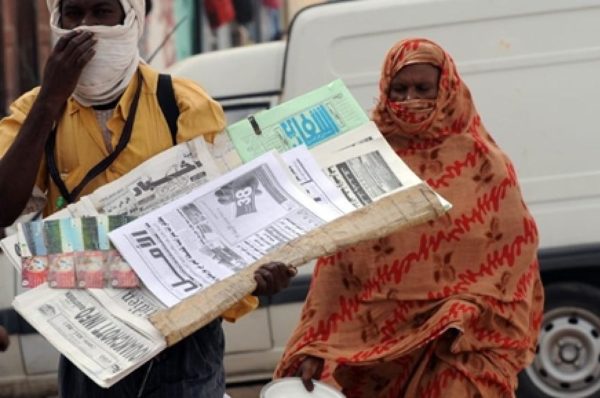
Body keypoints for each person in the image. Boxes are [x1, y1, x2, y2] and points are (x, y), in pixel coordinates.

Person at [0, 0, 295, 396]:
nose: (86, 29)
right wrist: (50, 100)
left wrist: (256, 278)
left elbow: (228, 217)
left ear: (131, 18)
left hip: (184, 341)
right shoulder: (31, 112)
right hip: (90, 340)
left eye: (103, 12)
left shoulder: (183, 104)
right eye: (73, 14)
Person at [274, 38, 544, 397]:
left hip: (463, 346)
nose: (409, 100)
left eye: (423, 88)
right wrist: (313, 344)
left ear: (446, 90)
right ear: (385, 90)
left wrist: (469, 308)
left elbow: (515, 262)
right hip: (379, 354)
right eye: (399, 89)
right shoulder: (367, 159)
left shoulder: (486, 164)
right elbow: (339, 265)